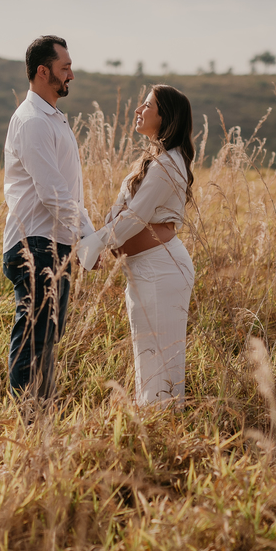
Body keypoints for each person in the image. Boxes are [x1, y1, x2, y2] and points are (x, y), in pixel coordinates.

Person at [78, 85, 195, 406]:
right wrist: (100, 239)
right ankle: (155, 427)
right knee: (147, 354)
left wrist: (92, 245)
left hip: (163, 268)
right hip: (143, 269)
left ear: (165, 116)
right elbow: (119, 213)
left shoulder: (169, 163)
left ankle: (165, 428)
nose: (138, 110)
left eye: (147, 105)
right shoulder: (150, 161)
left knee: (163, 359)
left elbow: (134, 218)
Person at [2, 35, 95, 401]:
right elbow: (54, 193)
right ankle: (30, 421)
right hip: (36, 245)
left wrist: (85, 238)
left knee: (47, 337)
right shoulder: (33, 122)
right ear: (43, 72)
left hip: (55, 242)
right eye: (65, 68)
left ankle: (42, 418)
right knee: (34, 337)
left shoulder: (52, 119)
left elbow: (67, 191)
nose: (71, 74)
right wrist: (89, 237)